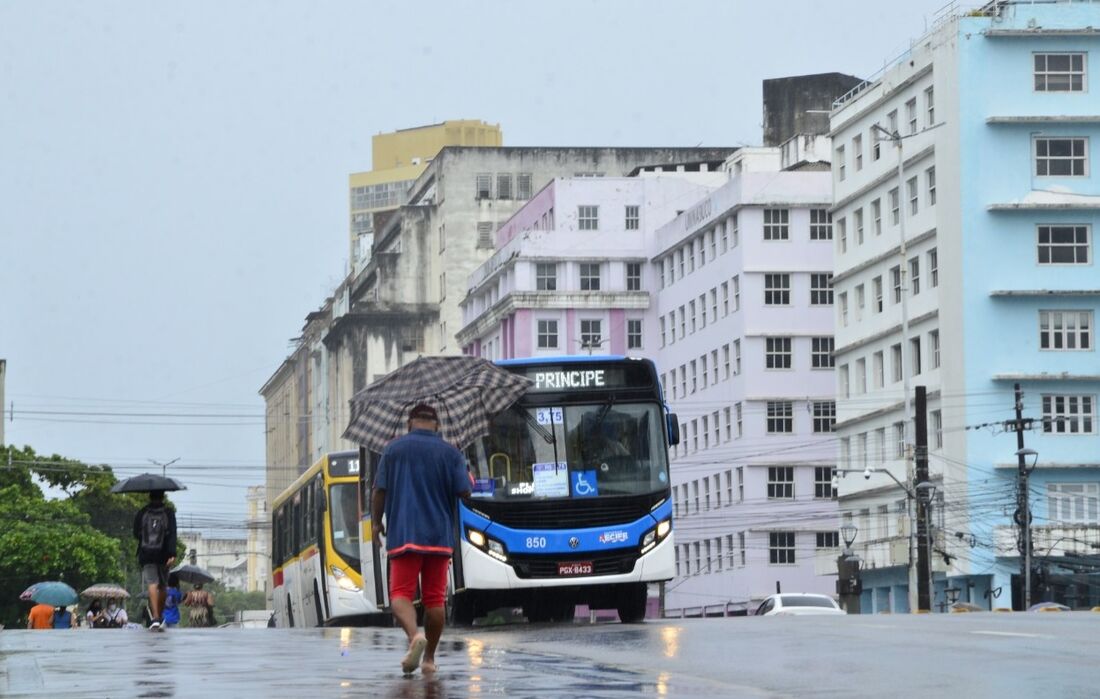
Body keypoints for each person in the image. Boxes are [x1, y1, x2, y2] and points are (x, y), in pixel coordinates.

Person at [371, 403, 471, 675]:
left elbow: (379, 491)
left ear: (409, 423)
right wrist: (465, 470)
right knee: (435, 601)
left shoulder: (393, 449)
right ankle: (428, 659)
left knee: (400, 596)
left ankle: (415, 635)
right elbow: (464, 491)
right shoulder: (451, 453)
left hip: (404, 536)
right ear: (437, 425)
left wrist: (375, 523)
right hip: (438, 538)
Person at [132, 490, 177, 631]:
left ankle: (155, 617)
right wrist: (172, 554)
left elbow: (135, 533)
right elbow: (172, 533)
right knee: (163, 586)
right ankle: (161, 614)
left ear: (149, 497)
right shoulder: (168, 513)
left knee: (152, 583)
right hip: (163, 554)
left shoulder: (142, 512)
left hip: (146, 554)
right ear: (162, 497)